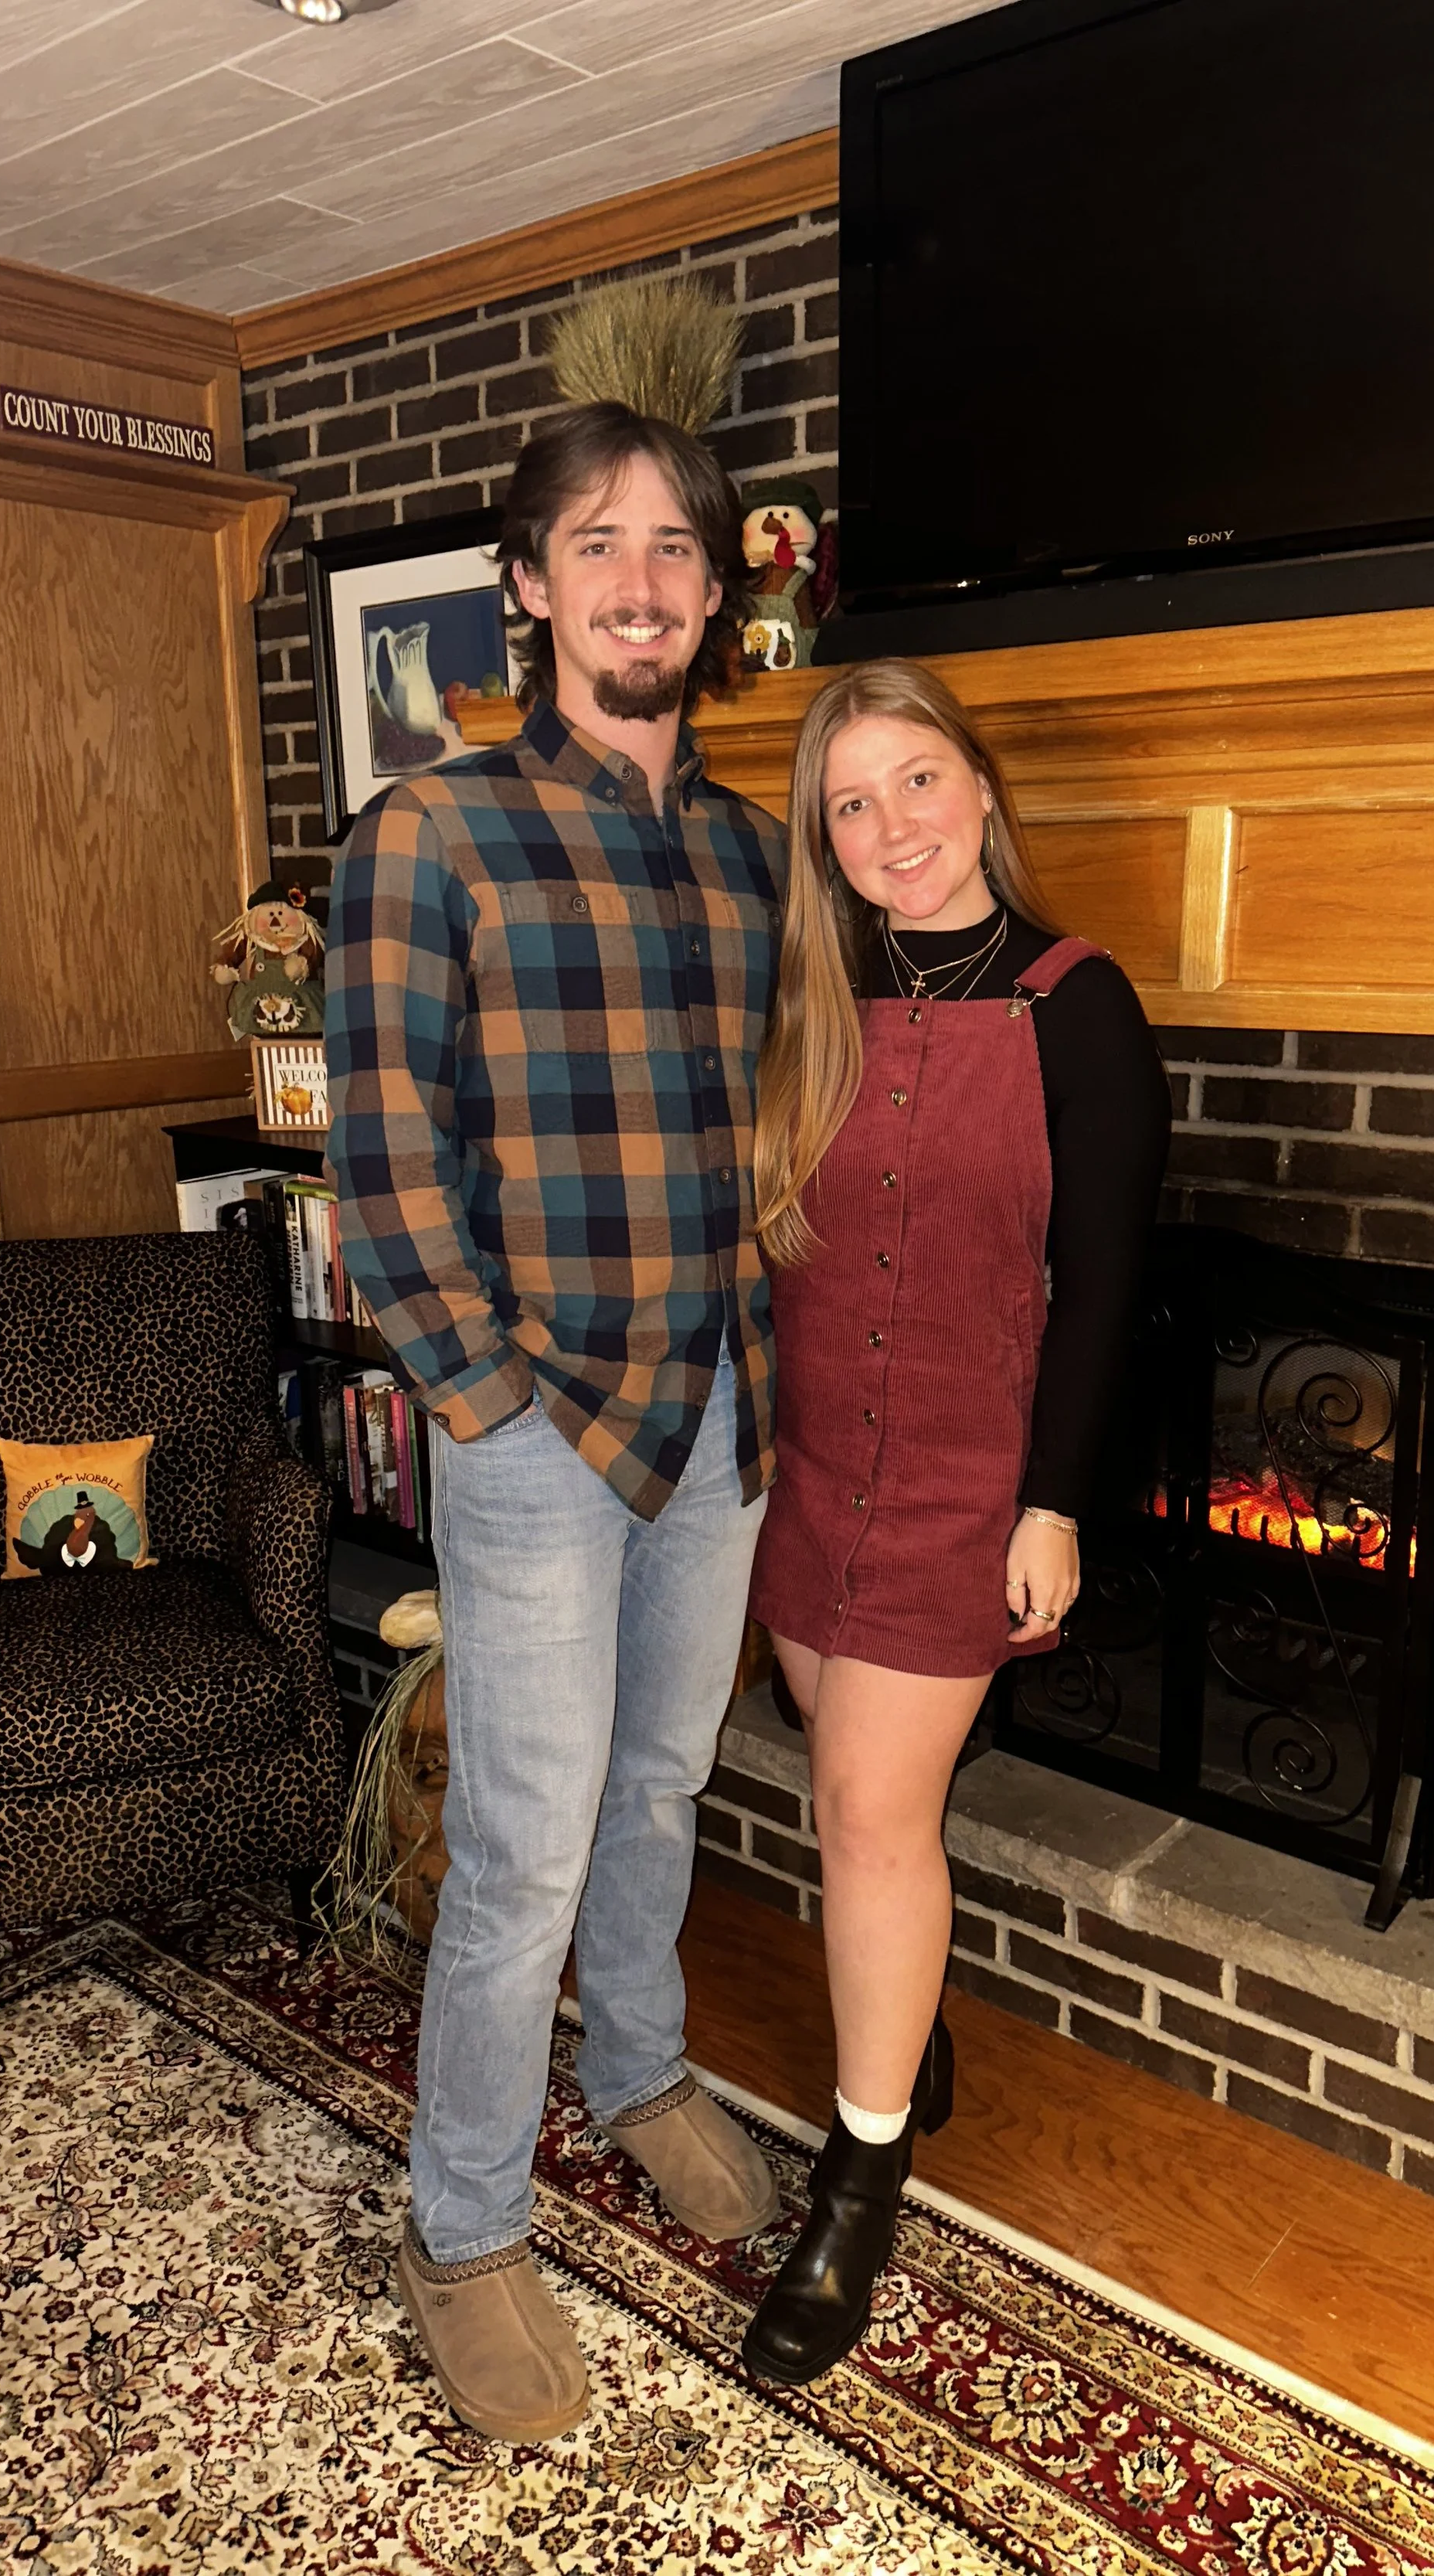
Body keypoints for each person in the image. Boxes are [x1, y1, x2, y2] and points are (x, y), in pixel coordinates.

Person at [325, 400, 785, 2445]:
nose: (642, 580)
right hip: (536, 1428)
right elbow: (383, 1152)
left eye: (676, 547)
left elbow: (780, 1124)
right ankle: (466, 2219)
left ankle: (643, 2066)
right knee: (522, 1841)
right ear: (528, 586)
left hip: (719, 1411)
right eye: (599, 543)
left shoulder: (755, 851)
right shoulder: (427, 833)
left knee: (664, 1783)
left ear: (713, 590)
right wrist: (485, 1398)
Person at [742, 657, 1170, 2383]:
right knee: (822, 1745)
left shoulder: (1081, 1004)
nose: (887, 826)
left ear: (979, 790)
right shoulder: (811, 1002)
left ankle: (859, 2179)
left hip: (967, 1480)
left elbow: (1107, 1286)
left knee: (860, 1811)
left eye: (913, 781)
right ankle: (906, 2033)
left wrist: (1051, 1502)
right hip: (813, 1467)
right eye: (848, 804)